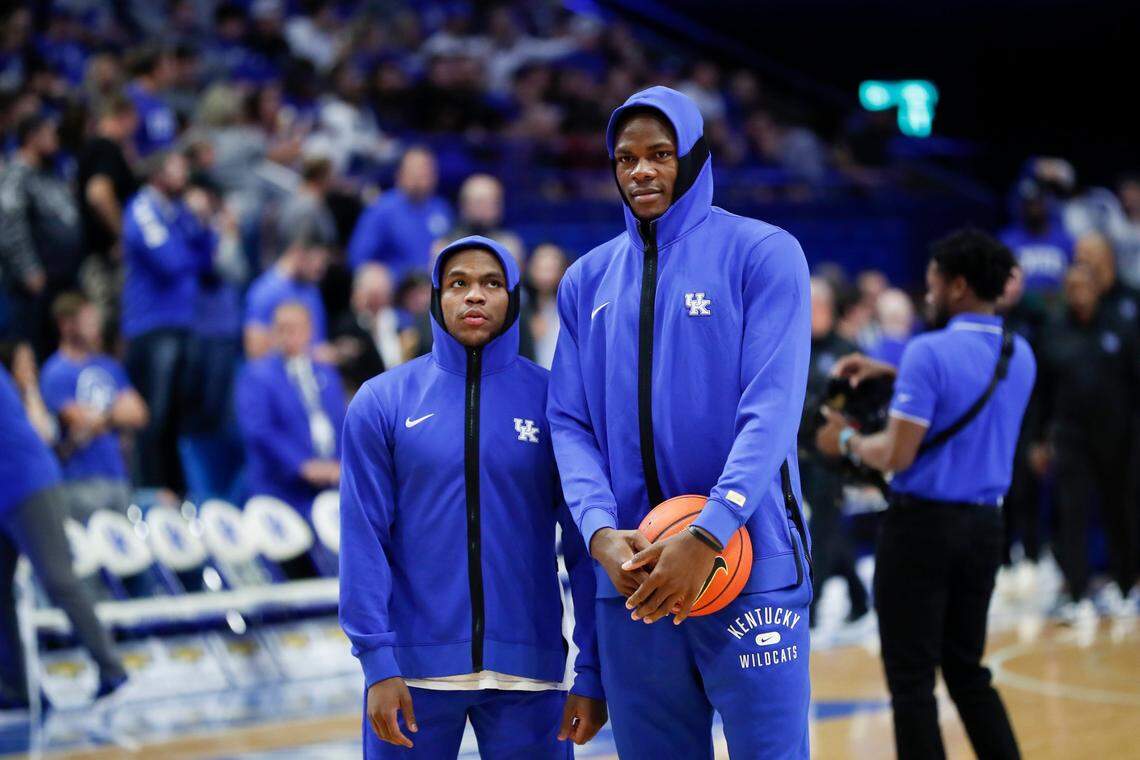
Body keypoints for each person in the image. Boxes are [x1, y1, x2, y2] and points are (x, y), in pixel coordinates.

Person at [548, 86, 813, 758]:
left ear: (693, 157)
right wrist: (599, 531)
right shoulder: (585, 281)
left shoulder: (764, 253)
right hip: (634, 576)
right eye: (626, 158)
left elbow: (772, 410)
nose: (640, 171)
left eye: (659, 154)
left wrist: (709, 531)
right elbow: (570, 423)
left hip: (747, 565)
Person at [339, 236, 606, 759]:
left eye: (491, 283)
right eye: (459, 284)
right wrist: (377, 661)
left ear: (514, 297)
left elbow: (585, 545)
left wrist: (592, 669)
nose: (475, 296)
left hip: (529, 675)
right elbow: (364, 538)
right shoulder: (383, 401)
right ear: (437, 297)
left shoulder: (556, 402)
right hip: (412, 674)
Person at [816, 228, 1033, 760]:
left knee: (912, 683)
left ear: (957, 285)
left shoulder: (928, 351)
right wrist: (892, 371)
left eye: (934, 284)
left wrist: (841, 438)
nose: (928, 295)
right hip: (985, 528)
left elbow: (895, 454)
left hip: (921, 532)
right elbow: (965, 380)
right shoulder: (1017, 352)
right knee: (968, 673)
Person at [0, 363, 128, 711]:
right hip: (7, 488)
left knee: (58, 579)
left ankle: (111, 667)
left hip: (27, 484)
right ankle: (15, 687)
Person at [1032, 263, 1139, 620]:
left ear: (1097, 288)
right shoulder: (1054, 330)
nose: (1077, 293)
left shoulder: (1120, 326)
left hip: (1118, 438)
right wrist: (1037, 439)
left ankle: (1127, 585)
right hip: (1070, 439)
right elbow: (1042, 393)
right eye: (1071, 287)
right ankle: (1077, 592)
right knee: (1071, 515)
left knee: (1120, 511)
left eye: (1084, 285)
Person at [121, 148, 217, 491]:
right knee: (153, 418)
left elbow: (208, 260)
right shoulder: (142, 208)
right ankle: (148, 493)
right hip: (151, 326)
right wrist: (190, 245)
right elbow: (170, 262)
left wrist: (205, 222)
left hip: (181, 324)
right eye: (177, 169)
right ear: (158, 174)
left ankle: (174, 495)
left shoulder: (178, 210)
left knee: (177, 419)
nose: (184, 177)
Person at [800, 277, 869, 626]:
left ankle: (812, 606)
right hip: (798, 454)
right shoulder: (794, 344)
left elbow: (857, 403)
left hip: (831, 457)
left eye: (816, 306)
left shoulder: (845, 350)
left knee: (823, 530)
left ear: (828, 308)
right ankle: (858, 595)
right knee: (826, 530)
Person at [40, 293, 147, 517]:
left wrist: (100, 418)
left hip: (118, 476)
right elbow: (79, 420)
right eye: (88, 322)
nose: (95, 328)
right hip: (80, 481)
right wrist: (115, 412)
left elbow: (139, 413)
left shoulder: (109, 366)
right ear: (66, 324)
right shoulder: (55, 372)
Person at [236, 301, 344, 520]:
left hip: (332, 485)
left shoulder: (327, 374)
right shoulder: (256, 375)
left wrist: (342, 465)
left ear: (309, 331)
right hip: (281, 489)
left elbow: (343, 423)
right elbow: (259, 431)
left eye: (295, 328)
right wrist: (302, 466)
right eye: (281, 328)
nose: (288, 335)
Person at [0, 114, 84, 359]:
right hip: (31, 287)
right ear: (31, 137)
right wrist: (28, 269)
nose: (55, 140)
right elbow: (8, 225)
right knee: (30, 352)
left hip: (61, 281)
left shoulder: (50, 173)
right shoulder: (17, 174)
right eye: (48, 134)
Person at [75, 94, 140, 347]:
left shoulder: (93, 147)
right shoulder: (106, 147)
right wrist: (123, 235)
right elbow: (98, 193)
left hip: (96, 254)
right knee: (104, 322)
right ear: (125, 116)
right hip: (104, 258)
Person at [347, 147, 452, 280]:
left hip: (433, 286)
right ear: (400, 174)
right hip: (397, 287)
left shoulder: (441, 208)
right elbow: (358, 258)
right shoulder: (381, 209)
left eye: (427, 170)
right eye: (415, 170)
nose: (421, 175)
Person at [244, 230, 331, 359]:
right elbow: (255, 350)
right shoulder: (265, 292)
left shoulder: (311, 289)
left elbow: (318, 340)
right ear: (298, 253)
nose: (321, 271)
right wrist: (311, 354)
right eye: (318, 263)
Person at [330, 263, 408, 392]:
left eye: (383, 294)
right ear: (358, 294)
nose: (378, 302)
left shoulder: (399, 321)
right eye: (373, 296)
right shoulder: (348, 326)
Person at [999, 178, 1073, 298]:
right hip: (1020, 307)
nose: (1033, 208)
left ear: (1046, 202)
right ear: (1021, 205)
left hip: (1058, 306)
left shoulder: (1065, 240)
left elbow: (1073, 276)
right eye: (1029, 203)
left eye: (1037, 202)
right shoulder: (1007, 240)